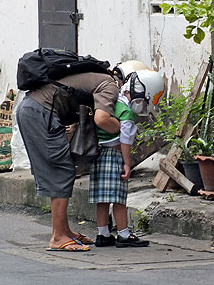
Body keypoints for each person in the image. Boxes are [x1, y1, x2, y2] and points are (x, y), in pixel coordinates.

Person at [16, 67, 132, 251]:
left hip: (34, 109)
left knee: (63, 168)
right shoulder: (110, 84)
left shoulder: (95, 76)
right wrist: (124, 128)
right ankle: (58, 237)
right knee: (61, 170)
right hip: (41, 112)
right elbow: (102, 120)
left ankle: (65, 232)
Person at [89, 70, 164, 248]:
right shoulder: (127, 114)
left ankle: (103, 233)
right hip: (114, 156)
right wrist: (128, 164)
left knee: (103, 198)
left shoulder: (113, 103)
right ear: (140, 95)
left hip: (98, 154)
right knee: (118, 198)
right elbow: (125, 141)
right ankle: (123, 233)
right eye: (145, 101)